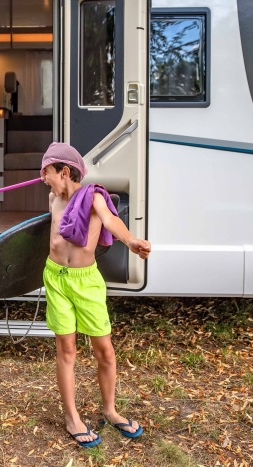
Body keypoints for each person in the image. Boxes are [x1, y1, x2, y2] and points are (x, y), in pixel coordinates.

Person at [40, 142, 151, 447]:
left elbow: (111, 220)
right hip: (56, 278)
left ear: (65, 172)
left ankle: (110, 411)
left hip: (86, 282)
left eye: (47, 171)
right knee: (66, 350)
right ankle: (71, 417)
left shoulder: (93, 197)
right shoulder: (53, 198)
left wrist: (130, 241)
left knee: (105, 351)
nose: (43, 178)